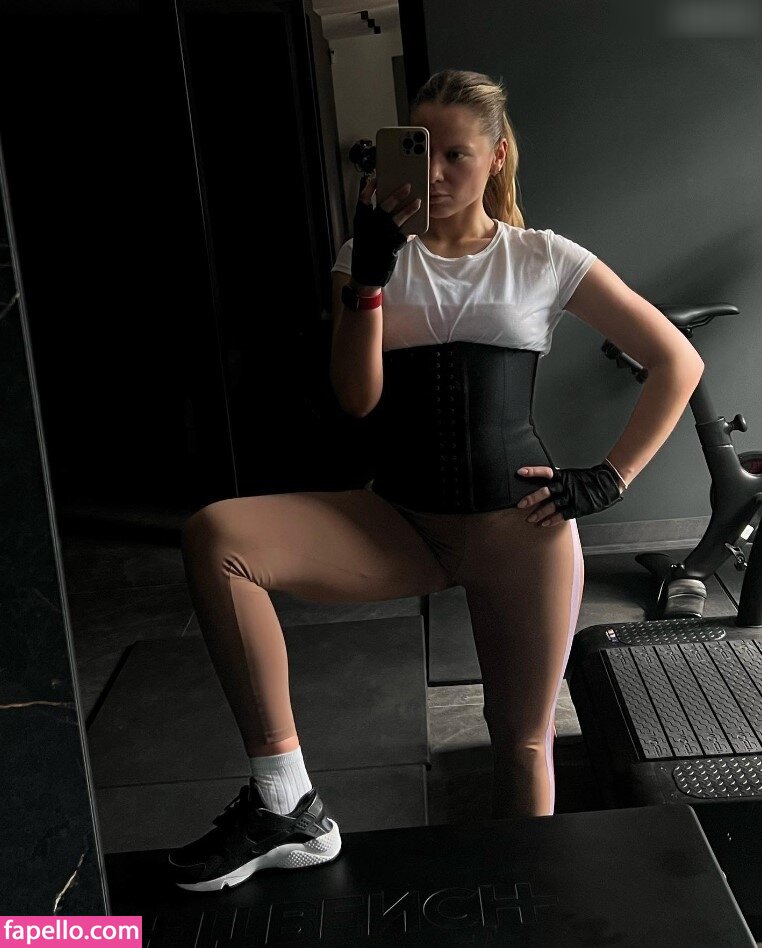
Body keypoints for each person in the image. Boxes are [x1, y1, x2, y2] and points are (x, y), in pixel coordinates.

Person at [167, 68, 703, 893]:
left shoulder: (542, 256)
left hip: (520, 534)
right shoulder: (367, 257)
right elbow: (357, 398)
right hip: (400, 521)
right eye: (424, 153)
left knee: (520, 741)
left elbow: (677, 359)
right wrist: (369, 279)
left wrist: (612, 477)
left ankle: (528, 902)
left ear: (497, 157)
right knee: (217, 537)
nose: (439, 174)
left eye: (458, 155)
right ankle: (286, 802)